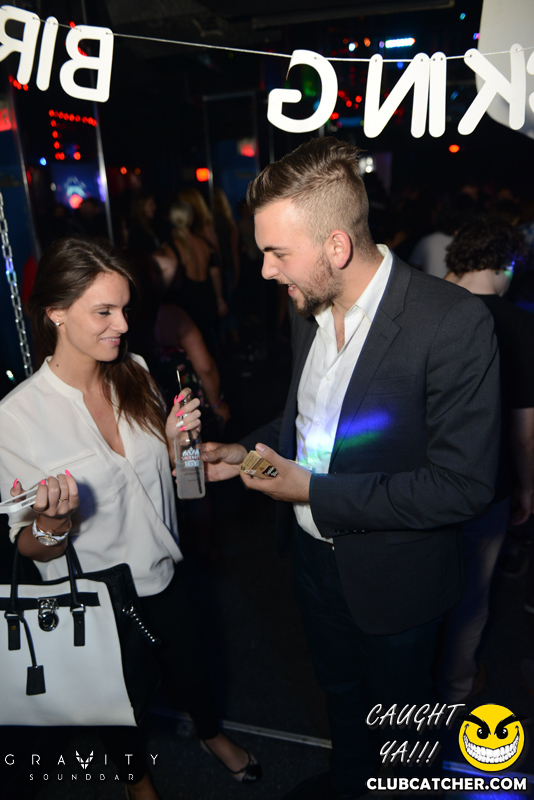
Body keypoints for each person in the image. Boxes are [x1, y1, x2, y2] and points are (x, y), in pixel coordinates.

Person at [202, 138, 500, 800]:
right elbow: (312, 425)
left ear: (336, 246)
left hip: (395, 577)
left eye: (278, 253)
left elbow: (463, 486)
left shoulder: (451, 322)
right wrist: (244, 452)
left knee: (400, 729)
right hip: (312, 563)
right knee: (339, 697)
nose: (266, 271)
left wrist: (313, 491)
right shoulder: (308, 305)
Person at [0, 237, 260, 800]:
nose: (122, 324)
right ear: (56, 312)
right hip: (95, 597)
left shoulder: (135, 371)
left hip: (164, 570)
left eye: (123, 308)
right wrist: (54, 524)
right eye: (104, 312)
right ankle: (136, 783)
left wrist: (175, 447)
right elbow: (28, 547)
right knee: (117, 705)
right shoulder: (16, 418)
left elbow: (161, 481)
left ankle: (212, 734)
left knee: (194, 669)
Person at [436, 218, 534, 702]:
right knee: (472, 594)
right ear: (508, 265)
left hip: (422, 479)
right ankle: (454, 687)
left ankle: (413, 684)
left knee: (426, 584)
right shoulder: (520, 326)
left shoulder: (428, 309)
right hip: (485, 484)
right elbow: (524, 434)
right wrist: (528, 487)